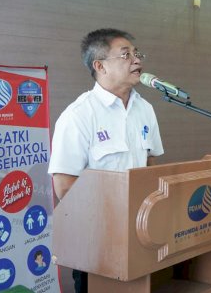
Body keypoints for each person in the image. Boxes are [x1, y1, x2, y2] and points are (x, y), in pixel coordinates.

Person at [48, 28, 164, 293]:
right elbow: (64, 186)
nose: (137, 60)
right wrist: (112, 219)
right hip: (97, 242)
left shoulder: (145, 109)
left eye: (137, 54)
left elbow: (149, 165)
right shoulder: (78, 115)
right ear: (100, 66)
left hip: (141, 232)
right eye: (126, 55)